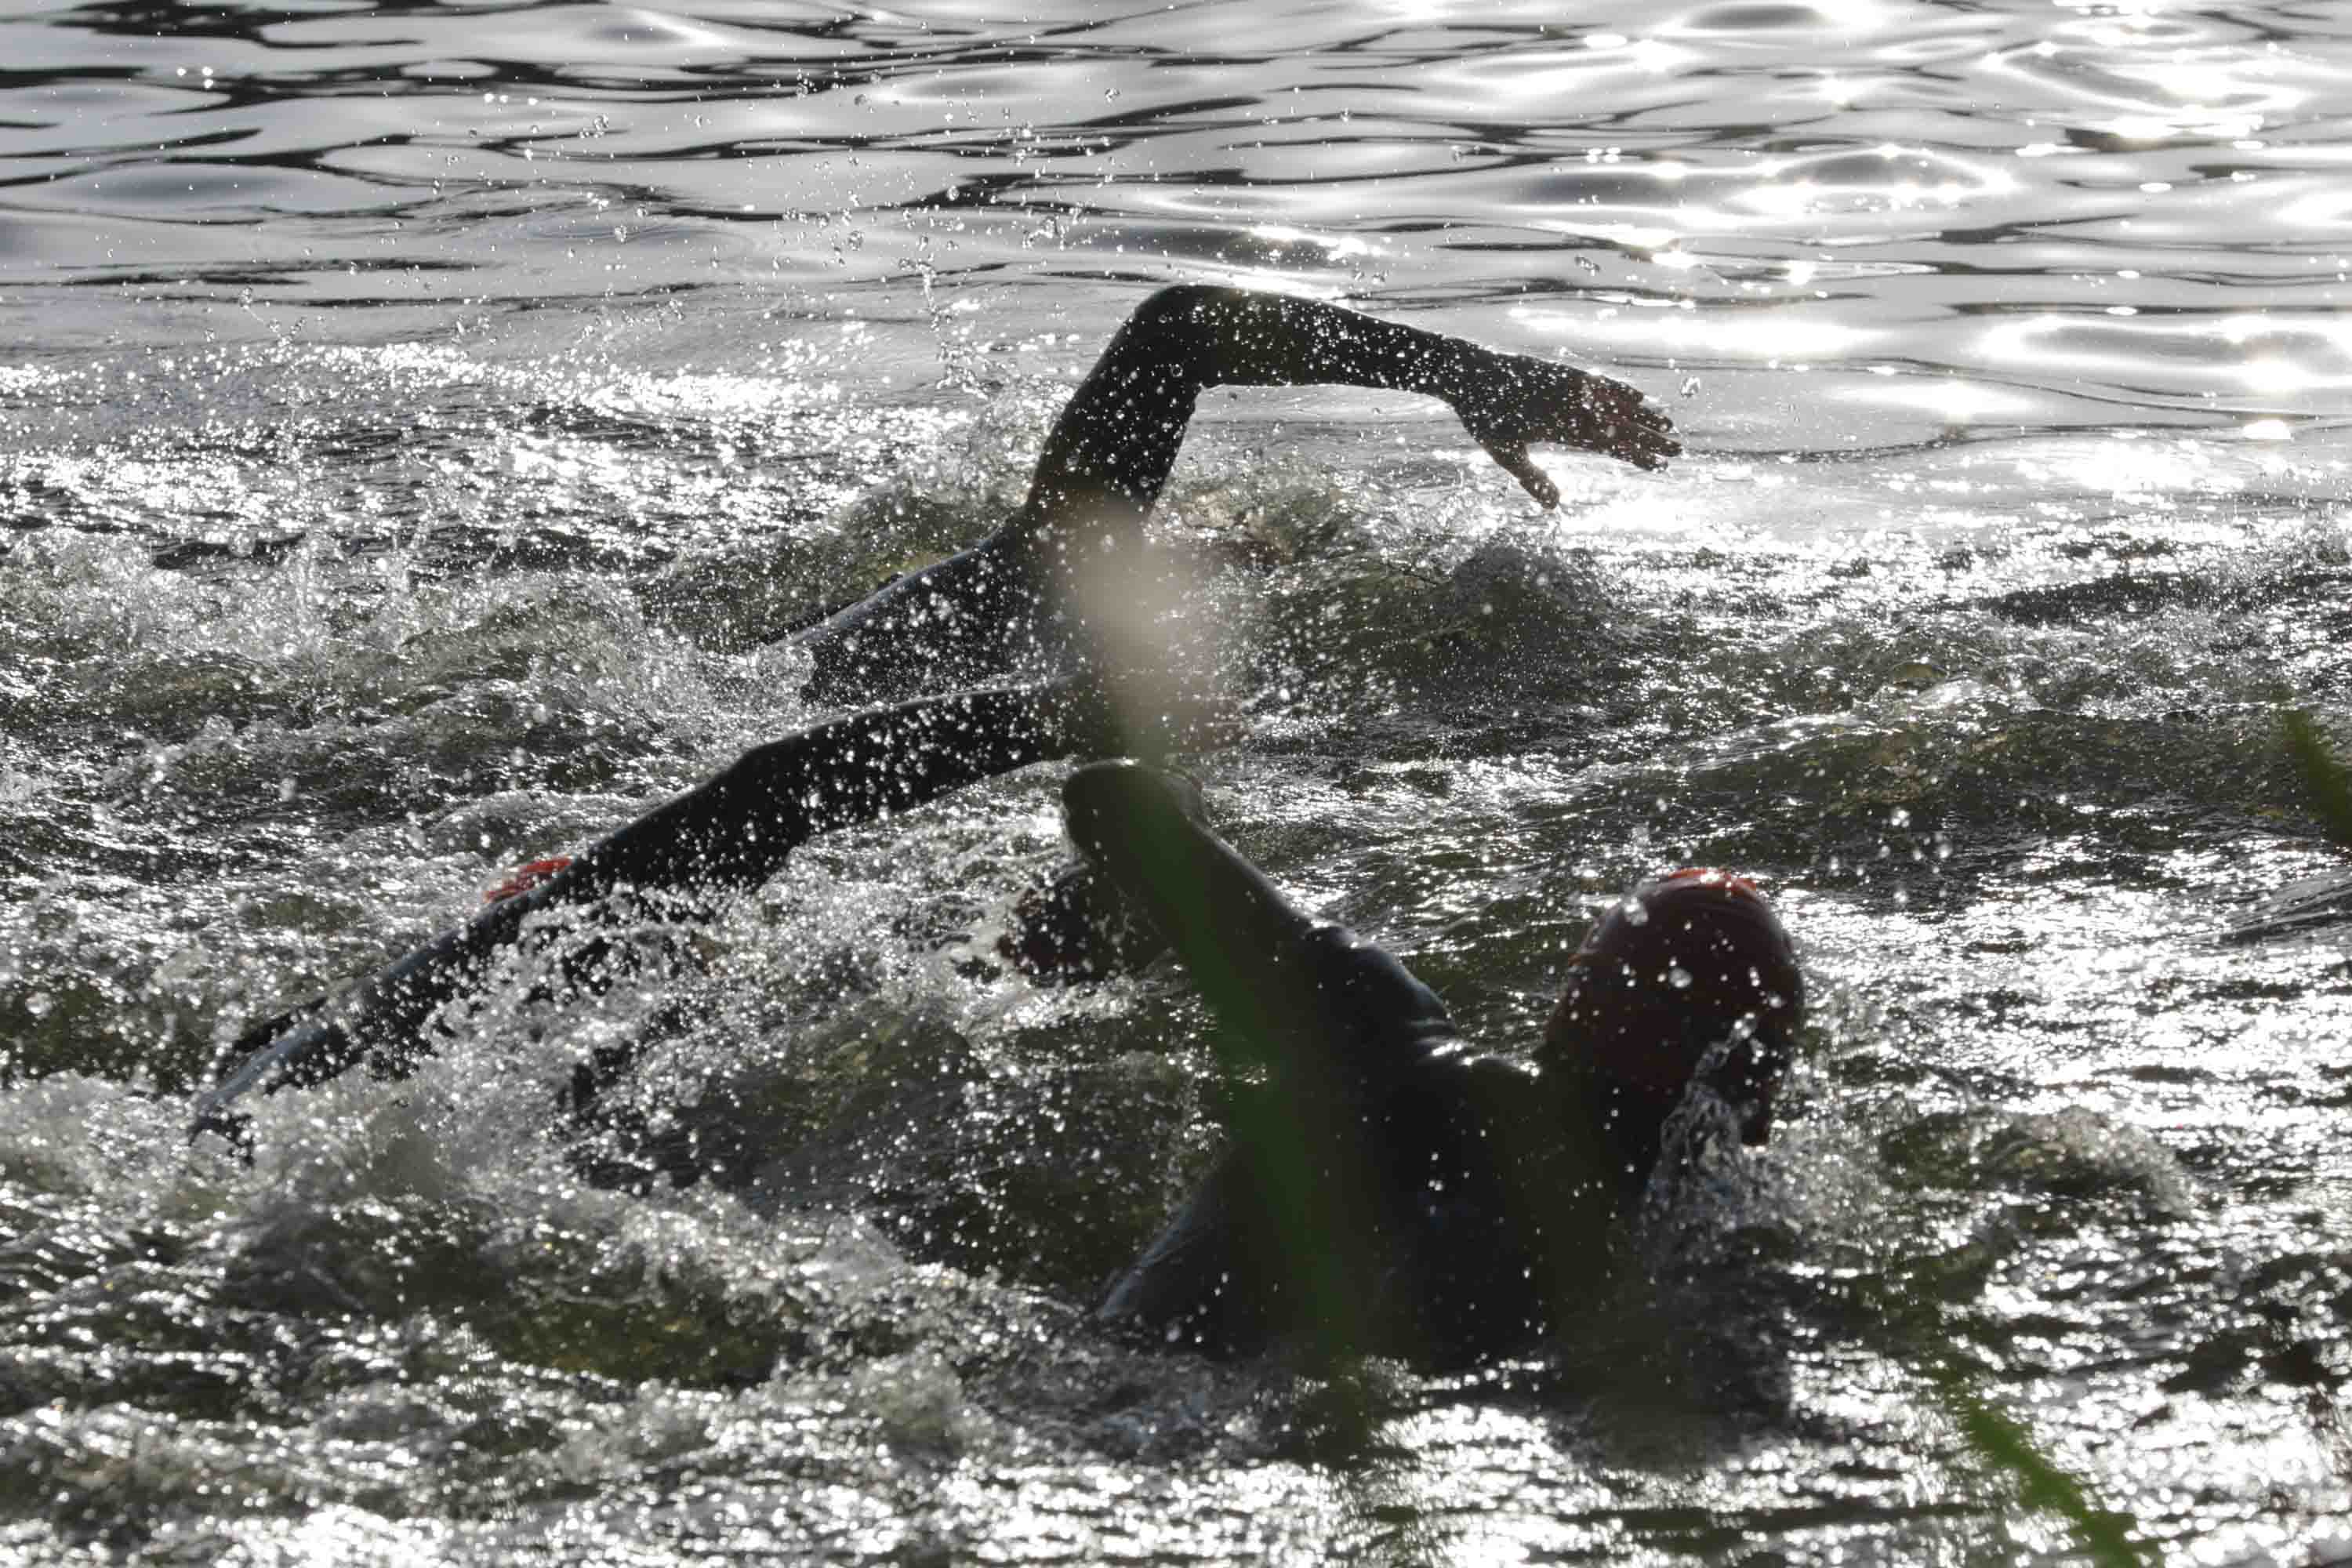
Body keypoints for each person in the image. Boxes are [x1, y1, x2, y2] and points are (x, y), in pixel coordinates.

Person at [194, 285, 1677, 1138]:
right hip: (741, 742)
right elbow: (1174, 332)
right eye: (1220, 550)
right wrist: (1471, 376)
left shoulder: (987, 593)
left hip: (638, 737)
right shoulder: (1040, 575)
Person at [1047, 760, 1806, 1363]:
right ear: (1752, 1090)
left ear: (1579, 995)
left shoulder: (1375, 1035)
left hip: (1099, 1388)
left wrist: (1173, 830)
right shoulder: (1690, 1255)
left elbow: (1113, 800)